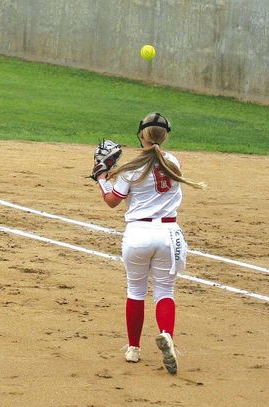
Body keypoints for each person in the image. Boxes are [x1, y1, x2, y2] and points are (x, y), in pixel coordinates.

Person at [95, 113, 206, 374]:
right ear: (165, 135)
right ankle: (166, 334)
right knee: (165, 292)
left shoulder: (131, 167)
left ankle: (133, 348)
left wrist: (101, 179)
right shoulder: (173, 162)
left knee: (136, 291)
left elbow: (112, 201)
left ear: (140, 134)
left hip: (138, 235)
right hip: (169, 234)